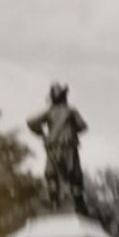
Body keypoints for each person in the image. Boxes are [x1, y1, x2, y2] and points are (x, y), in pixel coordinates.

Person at [27, 83, 88, 214]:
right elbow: (82, 126)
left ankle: (63, 203)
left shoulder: (59, 111)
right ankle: (60, 203)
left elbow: (31, 123)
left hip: (58, 147)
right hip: (63, 147)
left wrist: (44, 135)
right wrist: (45, 135)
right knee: (61, 174)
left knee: (55, 175)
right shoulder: (70, 111)